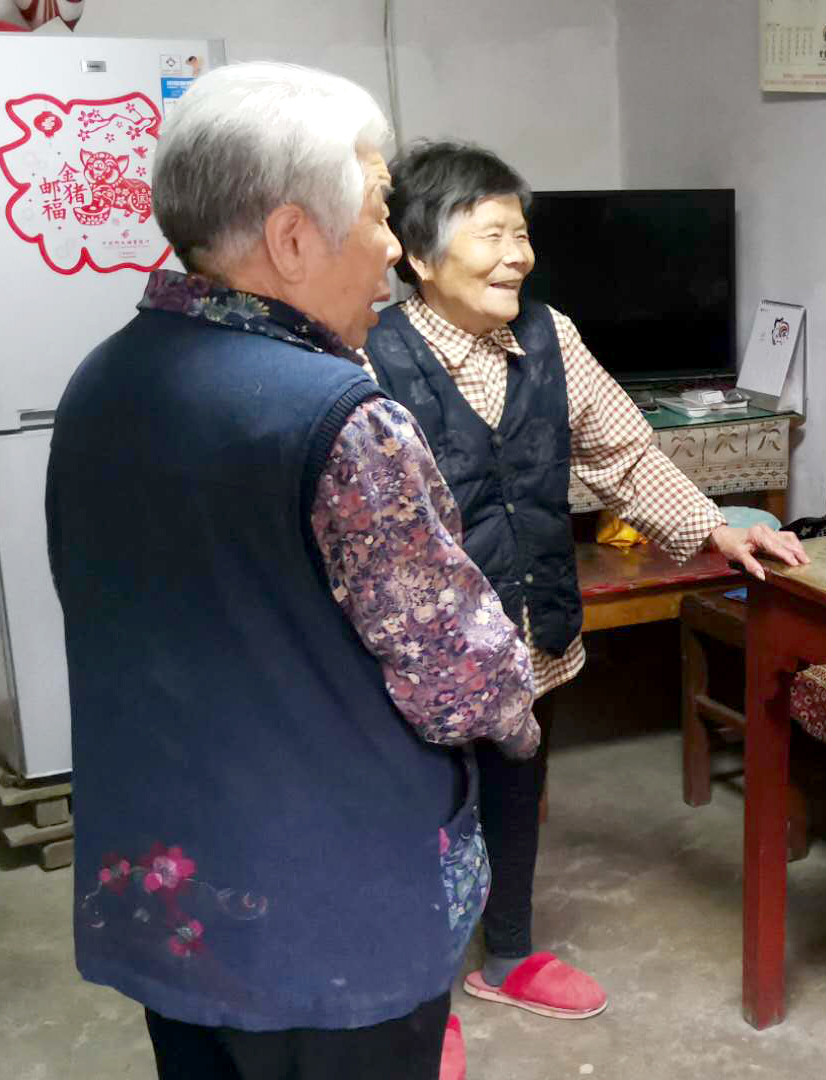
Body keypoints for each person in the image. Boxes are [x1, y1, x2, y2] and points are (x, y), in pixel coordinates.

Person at [46, 63, 535, 1078]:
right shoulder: (343, 421)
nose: (393, 246)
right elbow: (462, 681)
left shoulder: (99, 381)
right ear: (294, 238)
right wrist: (519, 706)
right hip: (327, 922)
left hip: (171, 894)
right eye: (380, 211)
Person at [359, 140, 807, 1050]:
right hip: (426, 653)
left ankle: (509, 954)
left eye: (521, 235)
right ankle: (410, 1003)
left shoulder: (549, 335)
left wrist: (718, 527)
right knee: (416, 809)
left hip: (533, 622)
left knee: (517, 783)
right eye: (490, 236)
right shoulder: (370, 357)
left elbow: (624, 454)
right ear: (419, 254)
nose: (516, 257)